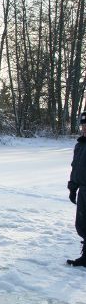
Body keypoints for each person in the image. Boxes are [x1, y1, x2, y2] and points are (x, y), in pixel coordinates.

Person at [68, 111, 86, 266]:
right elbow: (75, 168)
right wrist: (72, 188)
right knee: (81, 224)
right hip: (82, 189)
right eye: (83, 125)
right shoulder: (79, 145)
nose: (85, 128)